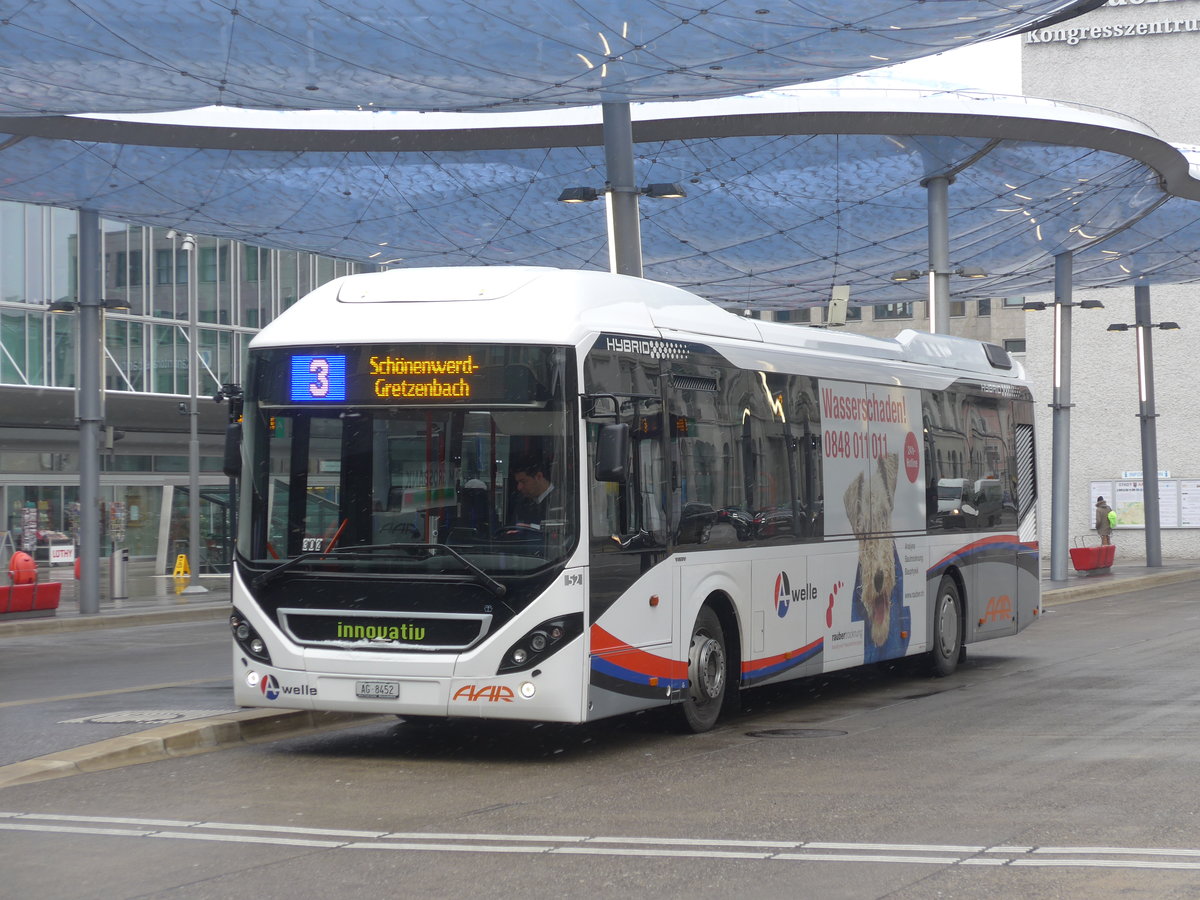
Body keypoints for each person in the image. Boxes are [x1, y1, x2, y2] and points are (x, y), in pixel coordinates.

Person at [511, 458, 555, 526]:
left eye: (523, 481)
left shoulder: (566, 501)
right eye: (518, 482)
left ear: (539, 476)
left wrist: (532, 527)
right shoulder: (522, 504)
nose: (519, 487)